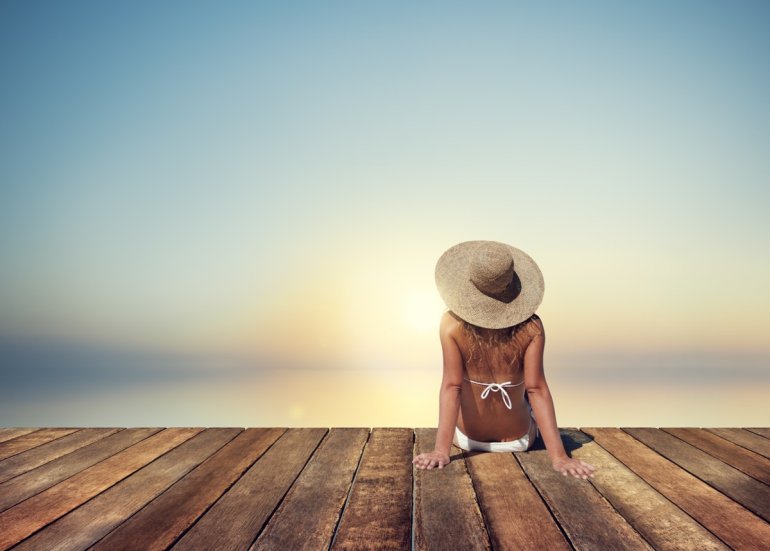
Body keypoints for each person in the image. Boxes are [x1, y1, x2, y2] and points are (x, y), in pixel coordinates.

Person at [412, 240, 596, 480]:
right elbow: (537, 389)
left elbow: (452, 386)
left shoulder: (451, 325)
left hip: (467, 440)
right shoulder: (531, 328)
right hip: (519, 440)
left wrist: (440, 451)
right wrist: (560, 457)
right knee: (528, 399)